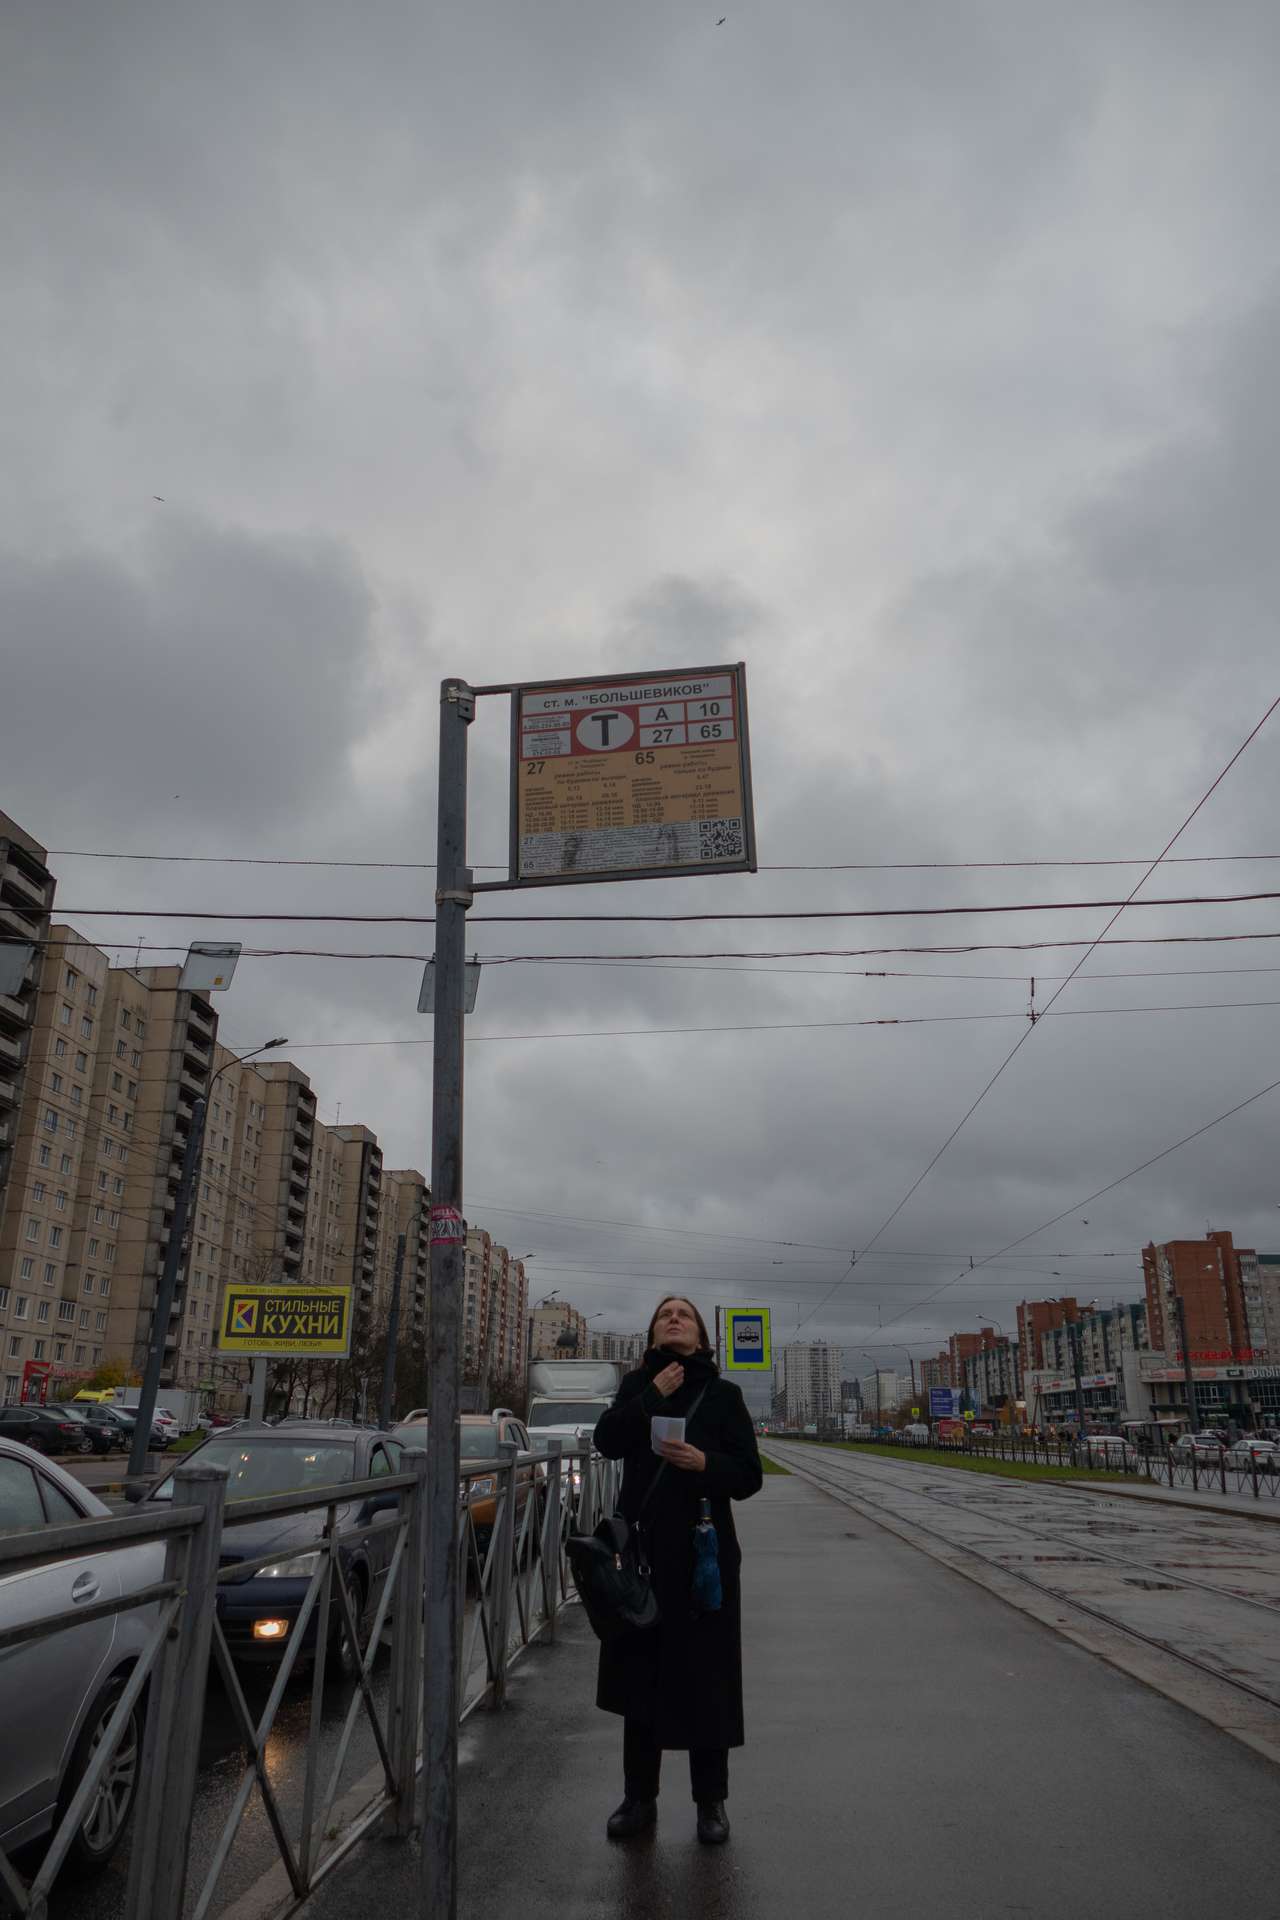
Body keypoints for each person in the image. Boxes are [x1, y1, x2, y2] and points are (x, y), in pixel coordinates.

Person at [592, 1294, 763, 1846]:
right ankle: (639, 1799)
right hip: (641, 1559)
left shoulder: (724, 1395)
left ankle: (711, 1803)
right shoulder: (636, 1387)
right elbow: (607, 1440)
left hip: (703, 1562)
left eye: (683, 1314)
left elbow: (750, 1475)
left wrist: (705, 1464)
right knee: (640, 1680)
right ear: (653, 1334)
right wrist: (650, 1396)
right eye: (665, 1314)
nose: (674, 1318)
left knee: (707, 1682)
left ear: (702, 1338)